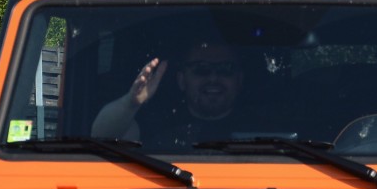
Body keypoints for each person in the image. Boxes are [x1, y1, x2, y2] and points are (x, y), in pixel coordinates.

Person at [91, 43, 255, 147]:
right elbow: (102, 138)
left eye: (225, 69)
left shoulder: (263, 126)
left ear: (239, 80)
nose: (213, 78)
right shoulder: (156, 124)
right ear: (182, 80)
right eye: (201, 69)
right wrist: (131, 103)